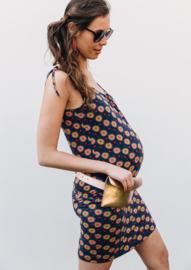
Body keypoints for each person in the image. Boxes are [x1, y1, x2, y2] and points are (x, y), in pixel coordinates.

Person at [37, 0, 170, 269]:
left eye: (107, 33)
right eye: (98, 34)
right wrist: (112, 168)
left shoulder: (85, 73)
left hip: (121, 194)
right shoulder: (60, 79)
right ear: (74, 29)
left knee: (160, 258)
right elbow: (45, 154)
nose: (104, 41)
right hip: (101, 200)